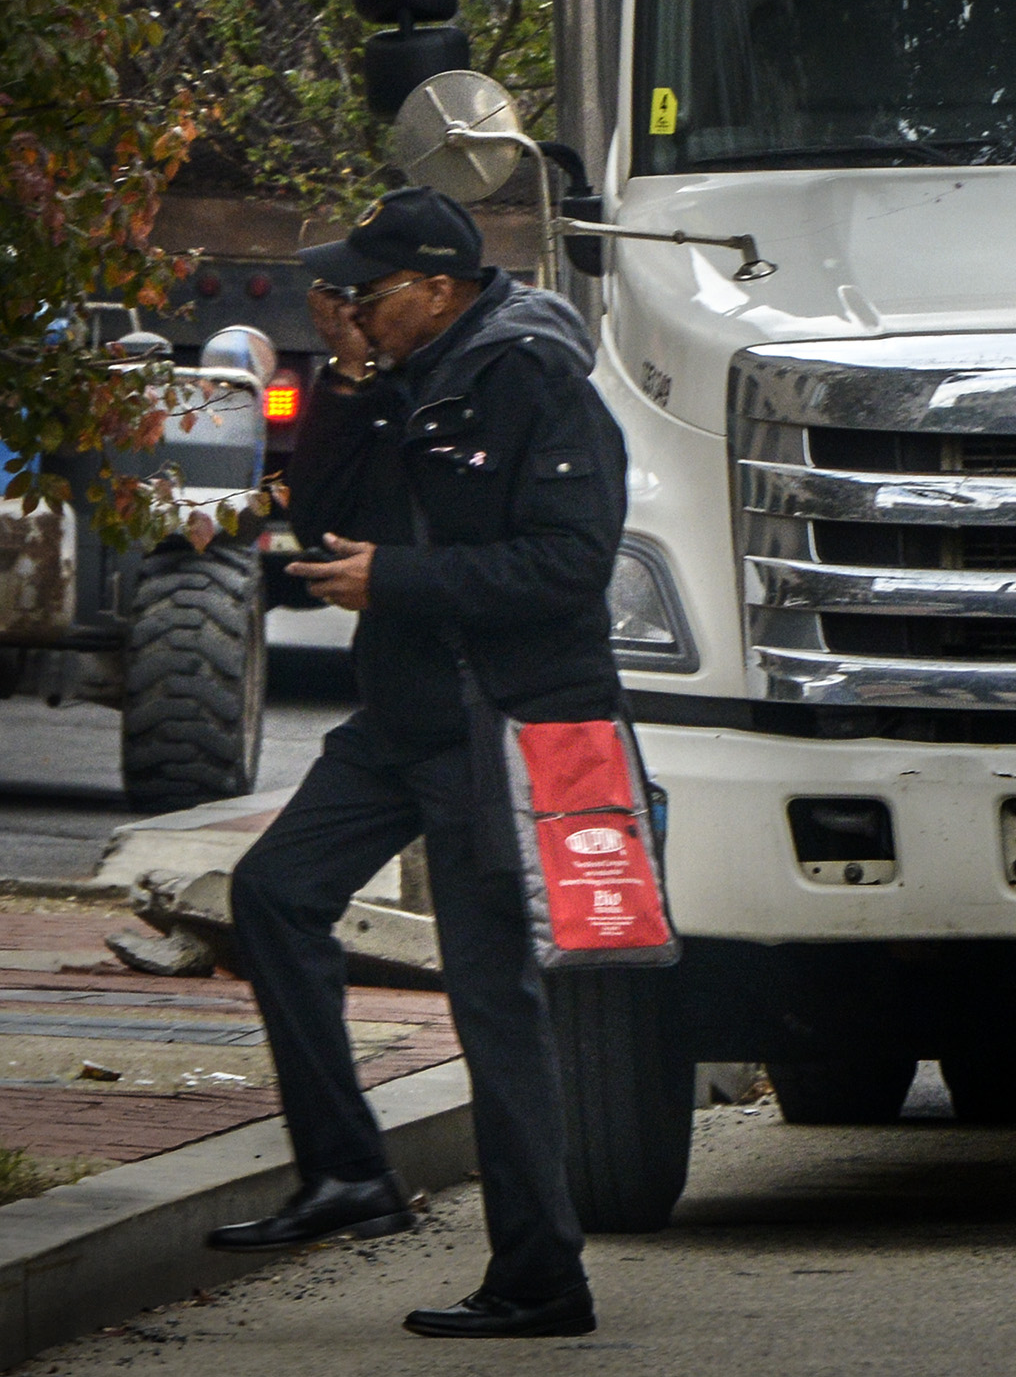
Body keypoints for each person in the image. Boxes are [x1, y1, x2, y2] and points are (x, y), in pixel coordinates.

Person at [205, 188, 628, 1341]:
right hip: (400, 720)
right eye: (338, 295)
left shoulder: (535, 382)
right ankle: (349, 1175)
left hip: (503, 726)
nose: (351, 310)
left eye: (368, 296)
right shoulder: (397, 378)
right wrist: (340, 378)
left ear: (439, 289)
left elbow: (567, 568)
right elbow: (325, 522)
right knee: (274, 893)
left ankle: (543, 1280)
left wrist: (399, 580)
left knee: (496, 1009)